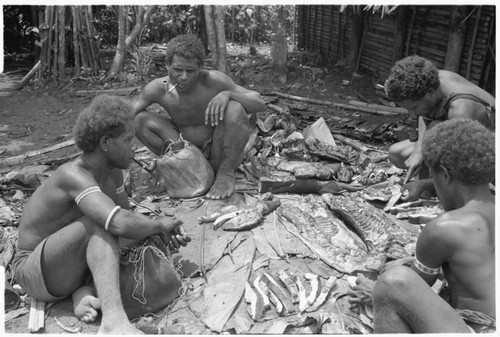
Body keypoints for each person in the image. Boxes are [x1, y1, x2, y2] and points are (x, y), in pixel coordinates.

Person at [11, 95, 191, 334]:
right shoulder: (72, 175)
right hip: (35, 271)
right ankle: (113, 322)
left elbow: (127, 224)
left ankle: (83, 292)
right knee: (102, 224)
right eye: (128, 140)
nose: (135, 147)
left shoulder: (114, 174)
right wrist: (158, 224)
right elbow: (116, 223)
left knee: (136, 232)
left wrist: (159, 233)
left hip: (69, 268)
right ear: (105, 142)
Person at [372, 118, 495, 333]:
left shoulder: (443, 229)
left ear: (445, 175)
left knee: (392, 283)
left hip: (487, 329)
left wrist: (371, 290)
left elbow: (415, 285)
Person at [131, 34, 265, 200]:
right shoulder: (157, 88)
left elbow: (259, 102)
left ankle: (225, 174)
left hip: (219, 155)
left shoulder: (214, 81)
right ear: (167, 65)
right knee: (139, 120)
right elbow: (124, 113)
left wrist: (228, 94)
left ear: (201, 67)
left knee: (235, 108)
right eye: (178, 70)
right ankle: (179, 167)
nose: (184, 77)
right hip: (186, 155)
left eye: (191, 71)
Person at [384, 55, 495, 200]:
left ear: (429, 93)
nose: (413, 113)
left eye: (414, 107)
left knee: (436, 138)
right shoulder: (428, 81)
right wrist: (418, 151)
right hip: (460, 138)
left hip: (488, 152)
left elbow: (462, 167)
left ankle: (442, 191)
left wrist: (424, 184)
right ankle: (437, 187)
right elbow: (424, 115)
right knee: (396, 153)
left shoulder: (461, 109)